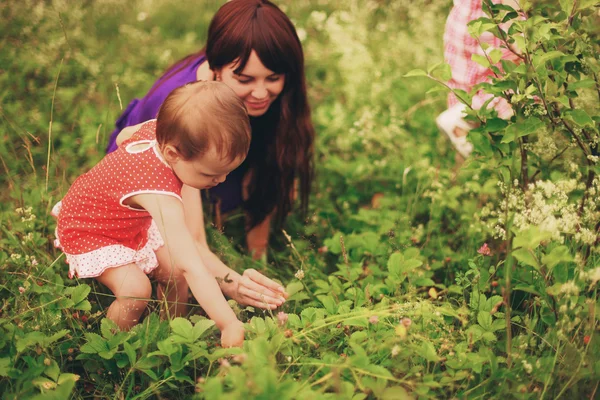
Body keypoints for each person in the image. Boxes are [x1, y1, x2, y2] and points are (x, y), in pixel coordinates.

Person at [53, 81, 288, 347]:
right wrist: (228, 322)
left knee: (173, 272)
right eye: (209, 174)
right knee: (135, 291)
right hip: (91, 228)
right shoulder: (161, 198)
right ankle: (110, 349)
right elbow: (192, 265)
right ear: (172, 153)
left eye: (227, 172)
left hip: (123, 218)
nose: (221, 180)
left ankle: (172, 332)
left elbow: (122, 138)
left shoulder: (159, 129)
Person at [107, 0, 315, 260]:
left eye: (273, 78)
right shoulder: (185, 112)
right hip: (160, 165)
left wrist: (258, 258)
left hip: (213, 146)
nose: (261, 93)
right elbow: (194, 240)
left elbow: (272, 159)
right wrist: (229, 280)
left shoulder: (265, 93)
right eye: (244, 79)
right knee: (192, 223)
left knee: (266, 177)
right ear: (216, 67)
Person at [436, 0, 522, 158]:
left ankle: (464, 127)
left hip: (462, 18)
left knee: (469, 82)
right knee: (508, 79)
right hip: (490, 21)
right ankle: (461, 120)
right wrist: (517, 32)